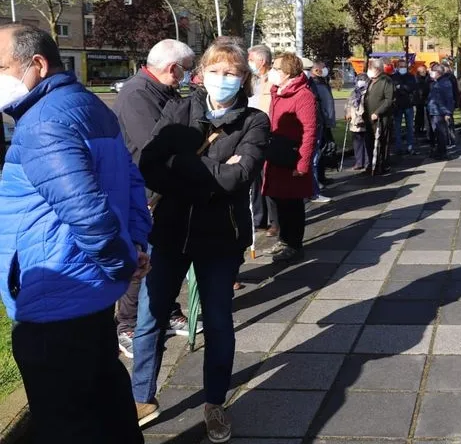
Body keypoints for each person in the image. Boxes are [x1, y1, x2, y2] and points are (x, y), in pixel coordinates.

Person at [0, 23, 150, 444]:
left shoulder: (42, 124)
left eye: (0, 66)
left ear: (38, 64)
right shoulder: (85, 104)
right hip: (88, 290)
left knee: (66, 420)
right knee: (106, 400)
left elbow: (87, 213)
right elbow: (130, 182)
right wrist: (134, 246)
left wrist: (123, 260)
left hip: (54, 300)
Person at [133, 41, 268, 441]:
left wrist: (183, 167)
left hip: (220, 237)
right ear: (201, 73)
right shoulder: (180, 109)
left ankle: (214, 402)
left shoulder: (255, 121)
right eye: (215, 70)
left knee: (219, 322)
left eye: (231, 73)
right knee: (150, 317)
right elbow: (149, 164)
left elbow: (239, 178)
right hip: (170, 232)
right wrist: (210, 172)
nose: (222, 79)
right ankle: (141, 397)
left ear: (244, 78)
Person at [113, 39, 196, 359]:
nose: (186, 77)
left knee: (165, 257)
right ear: (172, 68)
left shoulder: (166, 90)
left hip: (165, 187)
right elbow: (156, 143)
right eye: (185, 71)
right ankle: (127, 324)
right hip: (143, 190)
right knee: (142, 258)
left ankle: (167, 308)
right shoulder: (137, 94)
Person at [262, 53, 319, 263]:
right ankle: (284, 239)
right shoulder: (278, 91)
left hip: (292, 157)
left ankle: (294, 244)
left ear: (286, 72)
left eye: (276, 68)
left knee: (292, 204)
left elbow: (309, 131)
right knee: (278, 200)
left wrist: (303, 164)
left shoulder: (303, 95)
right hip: (276, 154)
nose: (272, 71)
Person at [248, 45, 279, 236]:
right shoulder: (251, 80)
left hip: (270, 133)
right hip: (252, 134)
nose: (248, 62)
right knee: (254, 180)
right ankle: (258, 219)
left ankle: (275, 221)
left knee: (269, 179)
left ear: (262, 61)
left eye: (251, 59)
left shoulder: (274, 79)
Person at [306, 60, 334, 204]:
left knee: (315, 158)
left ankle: (314, 187)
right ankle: (313, 190)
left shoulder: (317, 83)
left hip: (318, 124)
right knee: (313, 159)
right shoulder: (314, 85)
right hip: (315, 125)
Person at [363, 58, 395, 173]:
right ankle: (371, 164)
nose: (369, 70)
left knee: (382, 142)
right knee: (369, 142)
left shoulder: (386, 81)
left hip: (381, 118)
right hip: (368, 117)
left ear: (377, 69)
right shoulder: (371, 80)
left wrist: (378, 112)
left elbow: (388, 100)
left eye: (370, 68)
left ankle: (383, 164)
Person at [427, 64, 455, 160]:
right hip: (435, 111)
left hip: (438, 112)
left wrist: (447, 112)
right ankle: (440, 151)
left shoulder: (442, 83)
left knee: (440, 133)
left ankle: (442, 152)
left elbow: (447, 99)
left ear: (438, 72)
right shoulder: (439, 82)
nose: (431, 73)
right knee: (438, 133)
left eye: (433, 71)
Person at [392, 59, 417, 155]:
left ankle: (410, 146)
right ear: (397, 67)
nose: (403, 68)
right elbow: (394, 89)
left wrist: (401, 87)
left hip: (408, 105)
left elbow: (412, 88)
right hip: (397, 105)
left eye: (404, 66)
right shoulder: (394, 77)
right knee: (397, 127)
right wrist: (404, 88)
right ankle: (398, 147)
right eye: (401, 66)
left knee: (410, 126)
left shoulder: (411, 76)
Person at [345, 73, 370, 171]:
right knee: (357, 143)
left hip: (365, 120)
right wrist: (347, 113)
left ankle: (368, 163)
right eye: (359, 79)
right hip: (355, 121)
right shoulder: (354, 93)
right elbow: (348, 104)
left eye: (362, 79)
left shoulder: (369, 92)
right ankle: (359, 162)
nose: (360, 81)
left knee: (367, 143)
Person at [414, 63, 430, 138]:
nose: (424, 72)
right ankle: (418, 128)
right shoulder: (417, 78)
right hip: (419, 100)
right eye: (422, 71)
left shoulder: (427, 77)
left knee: (425, 115)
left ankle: (423, 128)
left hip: (426, 99)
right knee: (419, 114)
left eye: (425, 71)